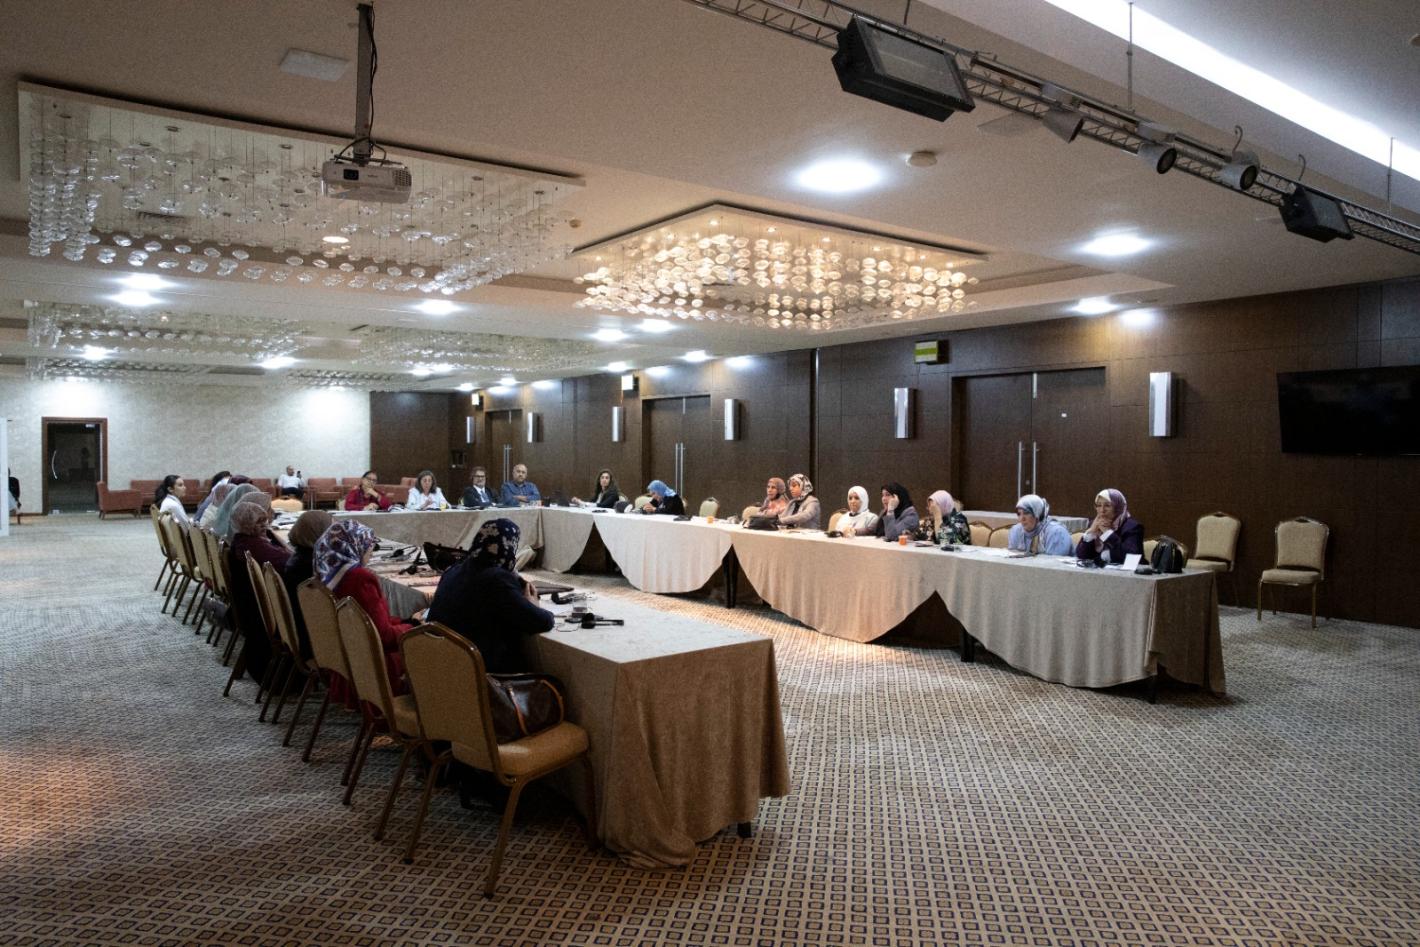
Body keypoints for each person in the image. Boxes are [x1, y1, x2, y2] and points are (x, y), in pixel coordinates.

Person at [427, 518, 555, 674]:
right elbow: (541, 622)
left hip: (439, 668)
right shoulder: (496, 579)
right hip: (479, 673)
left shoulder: (453, 570)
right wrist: (533, 605)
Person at [314, 520, 411, 691]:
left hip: (347, 655)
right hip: (374, 664)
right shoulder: (359, 579)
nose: (371, 552)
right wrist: (413, 625)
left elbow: (371, 622)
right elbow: (383, 636)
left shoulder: (326, 569)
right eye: (369, 546)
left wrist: (403, 621)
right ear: (355, 545)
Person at [225, 494, 290, 682]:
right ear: (254, 523)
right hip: (263, 612)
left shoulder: (241, 539)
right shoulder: (255, 546)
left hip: (252, 610)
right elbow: (288, 562)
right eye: (264, 517)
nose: (269, 517)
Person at [281, 509, 334, 658]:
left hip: (300, 630)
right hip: (312, 639)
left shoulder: (299, 557)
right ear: (321, 533)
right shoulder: (312, 566)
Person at [1075, 488, 1144, 563]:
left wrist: (1107, 533)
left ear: (1118, 508)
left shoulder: (1132, 527)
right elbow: (1082, 556)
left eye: (1107, 506)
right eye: (1099, 505)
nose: (1102, 510)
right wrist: (1091, 532)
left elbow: (1131, 556)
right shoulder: (1095, 524)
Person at [1008, 494, 1073, 556]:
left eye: (1026, 513)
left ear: (1038, 514)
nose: (1022, 518)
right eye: (1019, 514)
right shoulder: (1016, 531)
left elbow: (1054, 562)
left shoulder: (1056, 533)